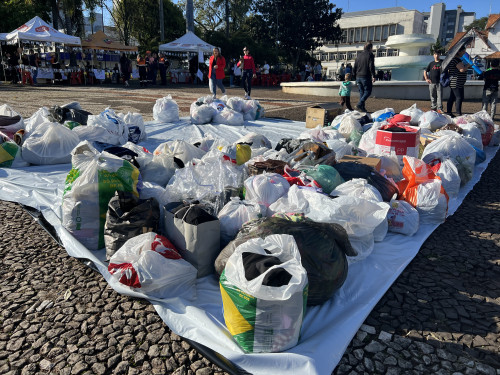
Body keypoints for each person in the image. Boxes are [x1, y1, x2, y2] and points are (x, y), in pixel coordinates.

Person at [446, 45, 470, 117]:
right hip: (456, 82)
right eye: (463, 51)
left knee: (452, 97)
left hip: (457, 82)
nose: (464, 52)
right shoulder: (456, 60)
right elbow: (461, 70)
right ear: (458, 51)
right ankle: (458, 113)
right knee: (459, 97)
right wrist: (468, 66)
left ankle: (449, 112)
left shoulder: (455, 59)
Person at [353, 42, 376, 112]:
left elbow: (355, 66)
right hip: (365, 76)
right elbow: (371, 66)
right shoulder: (370, 55)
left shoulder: (359, 55)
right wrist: (373, 75)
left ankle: (362, 108)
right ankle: (359, 104)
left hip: (358, 76)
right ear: (370, 48)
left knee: (362, 92)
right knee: (368, 91)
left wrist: (354, 75)